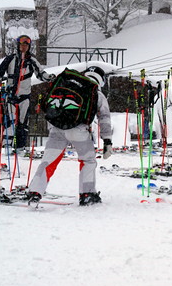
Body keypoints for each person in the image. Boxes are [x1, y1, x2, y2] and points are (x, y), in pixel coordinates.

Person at [27, 66, 113, 206]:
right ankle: (87, 194)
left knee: (48, 161)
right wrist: (107, 140)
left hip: (56, 128)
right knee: (88, 160)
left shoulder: (67, 83)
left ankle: (35, 192)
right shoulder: (95, 92)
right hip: (78, 130)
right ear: (100, 80)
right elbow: (104, 118)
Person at [0, 35, 54, 152]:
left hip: (24, 96)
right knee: (10, 121)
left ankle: (20, 147)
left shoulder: (32, 60)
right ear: (18, 45)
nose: (24, 47)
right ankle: (7, 147)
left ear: (29, 46)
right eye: (22, 44)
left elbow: (41, 73)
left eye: (26, 45)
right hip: (11, 95)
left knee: (22, 122)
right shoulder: (10, 59)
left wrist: (49, 77)